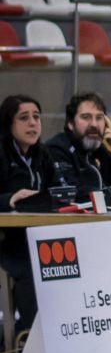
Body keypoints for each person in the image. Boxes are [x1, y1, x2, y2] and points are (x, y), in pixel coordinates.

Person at [0, 95, 61, 336]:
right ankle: (33, 337)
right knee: (32, 266)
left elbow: (57, 190)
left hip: (37, 236)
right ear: (8, 124)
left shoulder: (42, 155)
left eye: (36, 117)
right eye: (24, 118)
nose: (33, 123)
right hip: (7, 241)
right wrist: (9, 199)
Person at [46, 92, 111, 202]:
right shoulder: (57, 149)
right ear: (70, 123)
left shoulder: (99, 150)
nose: (94, 124)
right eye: (86, 117)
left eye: (99, 118)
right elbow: (71, 194)